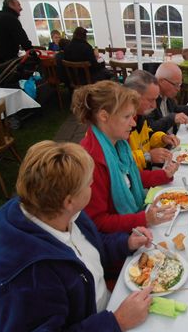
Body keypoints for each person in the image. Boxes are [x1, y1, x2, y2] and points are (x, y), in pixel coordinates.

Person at [0, 140, 155, 332]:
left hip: (107, 306)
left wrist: (126, 242)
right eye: (89, 183)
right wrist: (116, 322)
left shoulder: (62, 213)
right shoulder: (27, 279)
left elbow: (88, 249)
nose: (93, 184)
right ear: (68, 201)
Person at [72, 80, 179, 233]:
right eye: (127, 117)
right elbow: (98, 222)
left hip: (133, 224)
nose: (133, 123)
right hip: (118, 240)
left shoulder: (118, 144)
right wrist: (144, 219)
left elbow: (130, 178)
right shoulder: (90, 161)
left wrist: (163, 174)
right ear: (104, 116)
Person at [124, 70, 180, 169]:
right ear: (133, 97)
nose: (154, 106)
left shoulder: (140, 115)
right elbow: (121, 162)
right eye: (151, 100)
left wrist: (163, 138)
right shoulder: (121, 124)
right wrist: (148, 157)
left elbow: (146, 140)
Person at [147, 62, 188, 134]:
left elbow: (175, 108)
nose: (178, 89)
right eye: (176, 85)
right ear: (161, 81)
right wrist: (172, 118)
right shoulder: (149, 98)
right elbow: (150, 128)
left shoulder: (166, 94)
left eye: (179, 84)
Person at [0, 0, 32, 66]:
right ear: (11, 5)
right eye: (18, 5)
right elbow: (21, 36)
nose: (21, 8)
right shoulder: (10, 18)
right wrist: (30, 50)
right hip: (6, 58)